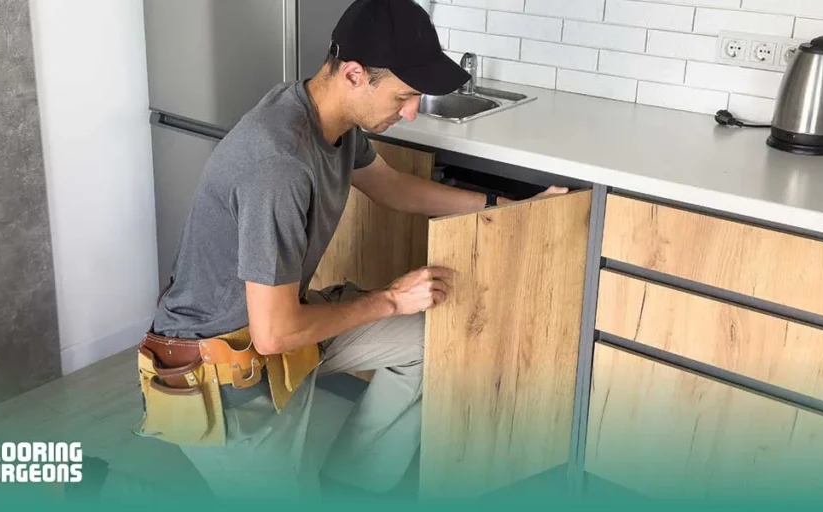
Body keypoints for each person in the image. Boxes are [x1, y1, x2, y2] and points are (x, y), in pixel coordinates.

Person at [144, 0, 567, 501]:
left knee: (433, 341)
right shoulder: (278, 164)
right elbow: (275, 333)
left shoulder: (327, 120)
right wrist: (390, 299)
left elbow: (392, 188)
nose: (411, 112)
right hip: (226, 364)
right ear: (353, 74)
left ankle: (353, 486)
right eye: (404, 96)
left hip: (278, 326)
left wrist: (502, 205)